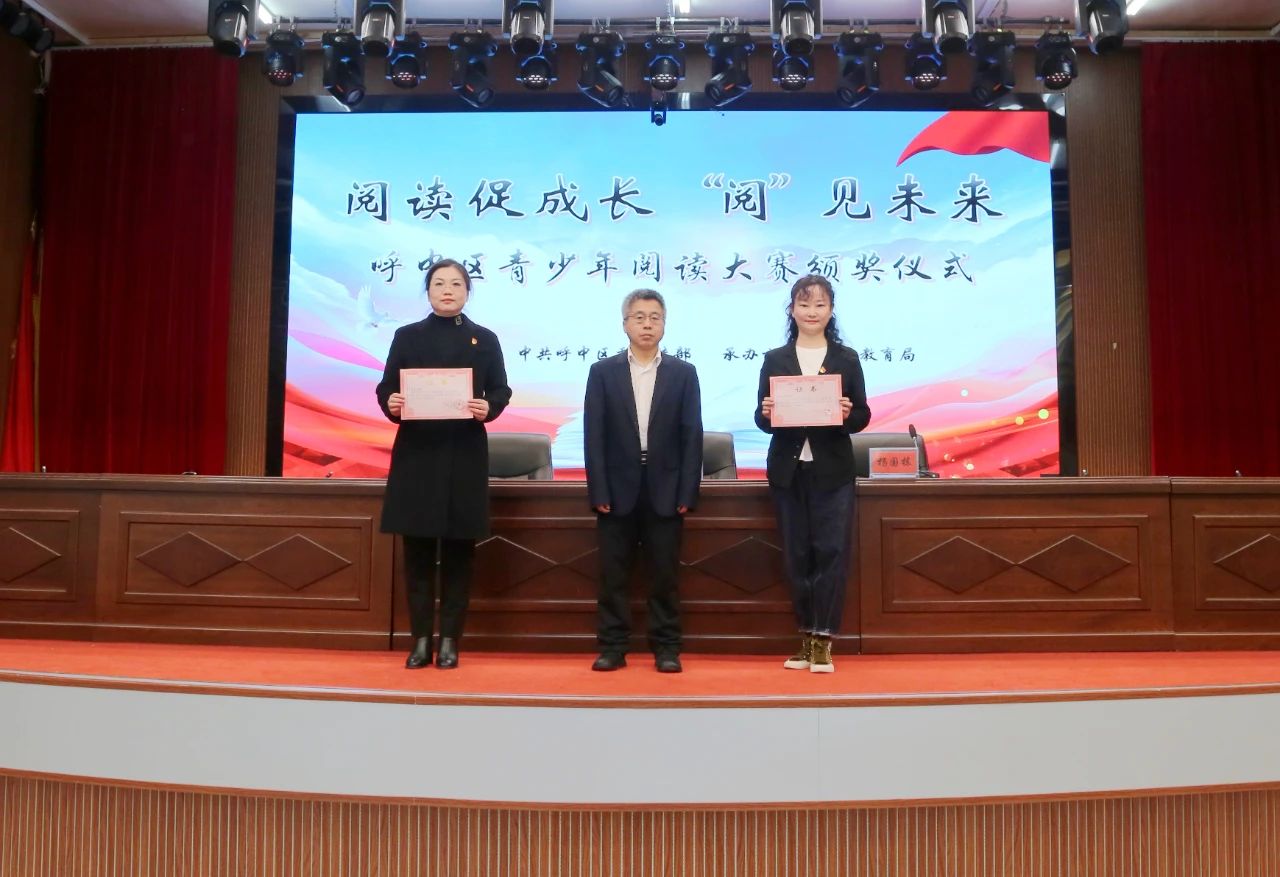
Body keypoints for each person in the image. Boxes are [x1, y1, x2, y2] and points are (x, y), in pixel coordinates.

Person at [376, 259, 511, 670]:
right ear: (428, 291)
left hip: (463, 454)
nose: (447, 290)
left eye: (456, 283)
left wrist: (489, 406)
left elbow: (500, 389)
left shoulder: (484, 339)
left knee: (458, 554)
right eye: (439, 283)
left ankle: (450, 640)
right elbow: (387, 386)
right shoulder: (407, 336)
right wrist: (391, 402)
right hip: (417, 456)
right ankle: (420, 640)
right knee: (417, 553)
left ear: (468, 291)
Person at [755, 274, 871, 673]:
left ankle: (823, 639)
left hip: (832, 470)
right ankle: (805, 636)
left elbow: (862, 415)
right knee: (797, 554)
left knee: (831, 552)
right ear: (791, 310)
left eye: (820, 304)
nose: (811, 311)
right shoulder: (775, 359)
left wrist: (846, 413)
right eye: (804, 304)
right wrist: (767, 413)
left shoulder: (846, 358)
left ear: (831, 310)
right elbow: (762, 419)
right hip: (788, 471)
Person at [584, 290, 703, 673]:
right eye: (639, 317)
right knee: (613, 575)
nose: (647, 324)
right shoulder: (603, 372)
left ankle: (666, 647)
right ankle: (613, 647)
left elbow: (692, 435)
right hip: (616, 490)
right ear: (625, 324)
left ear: (664, 324)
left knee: (664, 575)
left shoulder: (683, 373)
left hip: (666, 489)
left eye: (654, 317)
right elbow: (594, 435)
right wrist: (598, 489)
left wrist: (687, 491)